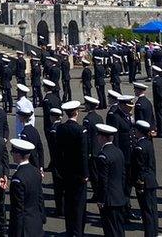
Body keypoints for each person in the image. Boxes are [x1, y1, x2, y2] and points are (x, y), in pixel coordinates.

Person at [58, 100, 89, 236]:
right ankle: (78, 231)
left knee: (69, 203)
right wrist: (85, 173)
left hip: (66, 172)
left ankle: (71, 230)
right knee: (79, 205)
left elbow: (58, 152)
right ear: (76, 112)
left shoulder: (60, 128)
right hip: (78, 173)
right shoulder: (80, 130)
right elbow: (83, 154)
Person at [94, 123, 126, 237]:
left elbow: (103, 180)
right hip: (119, 197)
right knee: (119, 228)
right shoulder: (119, 152)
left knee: (110, 229)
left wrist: (101, 200)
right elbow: (123, 176)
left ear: (102, 137)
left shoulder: (103, 156)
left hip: (109, 199)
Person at [8, 138, 44, 237]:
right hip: (36, 223)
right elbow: (40, 197)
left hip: (24, 228)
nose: (12, 155)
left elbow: (18, 209)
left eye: (13, 152)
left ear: (18, 155)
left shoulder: (18, 178)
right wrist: (42, 217)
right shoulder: (36, 171)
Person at [131, 120, 159, 237]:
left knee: (146, 211)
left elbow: (140, 167)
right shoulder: (148, 143)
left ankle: (150, 234)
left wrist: (139, 183)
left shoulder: (139, 147)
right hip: (151, 180)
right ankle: (154, 232)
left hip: (145, 183)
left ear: (139, 131)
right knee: (152, 210)